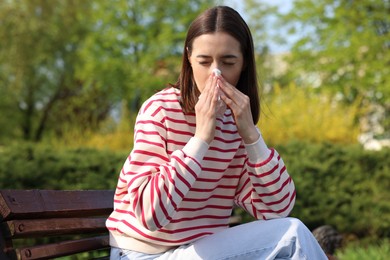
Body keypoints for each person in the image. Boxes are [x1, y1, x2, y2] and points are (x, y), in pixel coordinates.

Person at [106, 5, 327, 260]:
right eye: (204, 61)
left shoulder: (235, 127)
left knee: (292, 232)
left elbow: (276, 210)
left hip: (203, 250)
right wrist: (201, 139)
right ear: (188, 58)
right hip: (143, 254)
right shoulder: (159, 111)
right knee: (293, 236)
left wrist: (252, 136)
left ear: (244, 63)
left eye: (228, 62)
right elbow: (149, 214)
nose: (216, 73)